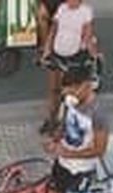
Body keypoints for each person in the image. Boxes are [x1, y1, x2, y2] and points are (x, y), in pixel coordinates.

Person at [41, 0, 98, 129]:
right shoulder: (62, 8)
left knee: (68, 91)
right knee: (53, 89)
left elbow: (87, 35)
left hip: (73, 58)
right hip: (56, 55)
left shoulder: (85, 11)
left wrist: (94, 54)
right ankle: (51, 119)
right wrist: (47, 50)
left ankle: (68, 122)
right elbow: (53, 31)